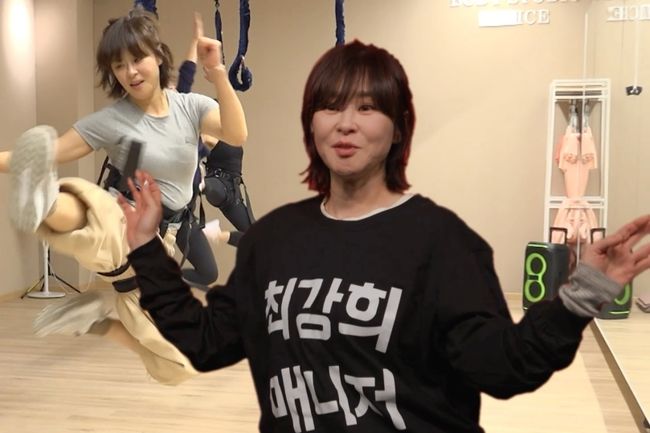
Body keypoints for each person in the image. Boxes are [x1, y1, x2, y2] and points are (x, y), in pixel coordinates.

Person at [119, 40, 650, 431]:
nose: (346, 123)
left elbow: (504, 367)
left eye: (367, 107)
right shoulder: (273, 240)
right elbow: (207, 342)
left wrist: (582, 294)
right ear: (311, 125)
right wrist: (146, 248)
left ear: (398, 127)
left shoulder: (443, 243)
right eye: (331, 107)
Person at [0, 7, 247, 385]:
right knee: (99, 218)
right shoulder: (112, 120)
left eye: (137, 59)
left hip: (159, 247)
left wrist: (216, 72)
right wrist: (24, 165)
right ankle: (45, 199)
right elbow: (49, 151)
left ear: (157, 56)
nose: (130, 72)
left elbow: (235, 133)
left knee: (180, 364)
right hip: (122, 219)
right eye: (119, 65)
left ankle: (97, 321)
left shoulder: (190, 107)